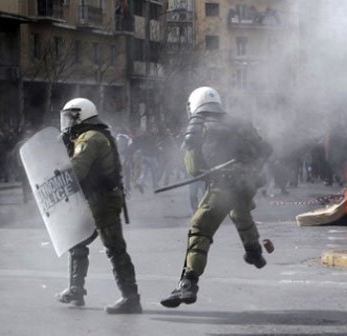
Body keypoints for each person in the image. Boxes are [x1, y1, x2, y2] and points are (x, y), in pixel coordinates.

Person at [160, 86, 272, 308]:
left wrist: (208, 169)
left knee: (200, 228)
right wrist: (248, 168)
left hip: (225, 185)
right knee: (240, 212)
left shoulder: (199, 124)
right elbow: (266, 149)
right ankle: (254, 252)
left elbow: (194, 168)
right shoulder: (241, 122)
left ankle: (188, 284)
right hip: (248, 183)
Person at [56, 98, 142, 314]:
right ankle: (76, 290)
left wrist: (59, 170)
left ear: (82, 115)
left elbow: (77, 171)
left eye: (71, 117)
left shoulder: (90, 138)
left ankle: (131, 298)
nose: (67, 122)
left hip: (102, 201)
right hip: (95, 199)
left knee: (114, 247)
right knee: (77, 241)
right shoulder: (92, 135)